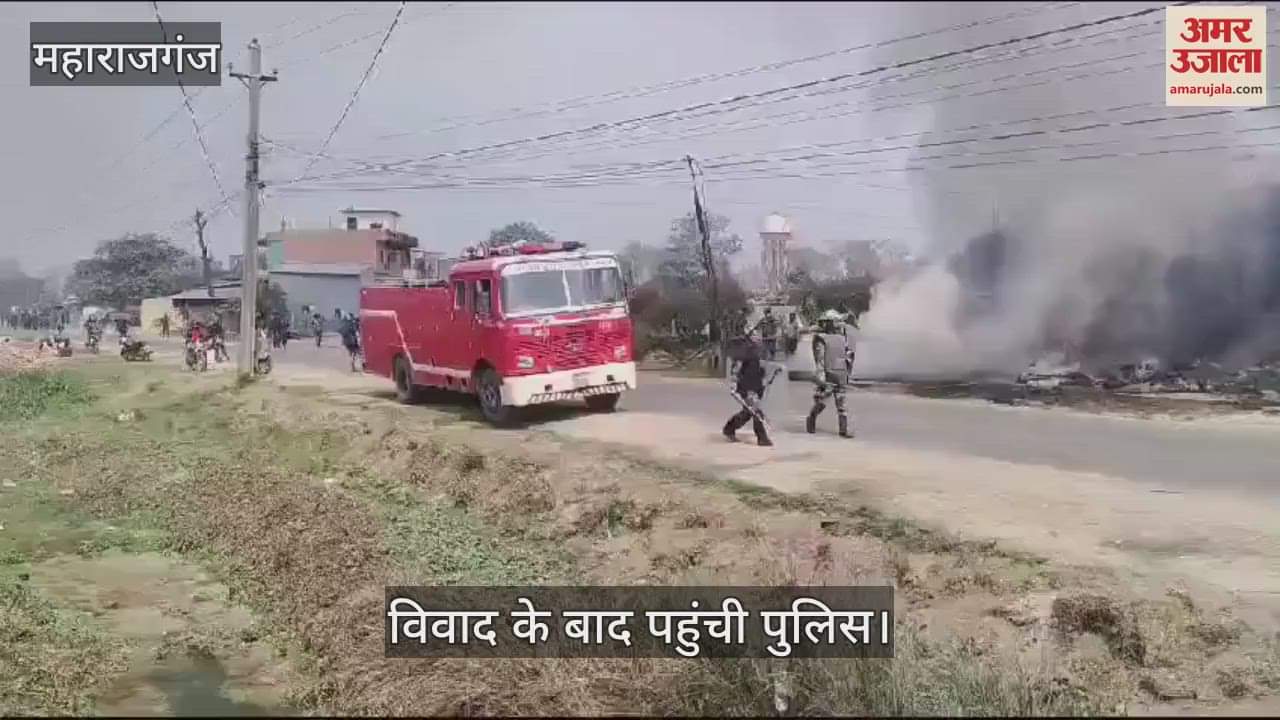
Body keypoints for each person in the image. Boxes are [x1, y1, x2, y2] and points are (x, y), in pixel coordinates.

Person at [807, 309, 856, 439]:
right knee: (821, 402)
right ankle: (811, 418)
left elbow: (848, 356)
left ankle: (843, 430)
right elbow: (820, 360)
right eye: (835, 321)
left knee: (842, 405)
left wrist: (848, 372)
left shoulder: (842, 338)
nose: (838, 324)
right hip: (828, 376)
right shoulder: (821, 339)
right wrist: (820, 377)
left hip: (840, 375)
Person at [722, 335, 774, 447]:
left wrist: (767, 377)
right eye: (756, 339)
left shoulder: (759, 354)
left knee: (747, 413)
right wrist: (734, 383)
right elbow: (736, 369)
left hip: (756, 387)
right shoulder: (746, 352)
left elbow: (760, 371)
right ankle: (762, 438)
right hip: (746, 388)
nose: (759, 341)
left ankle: (729, 429)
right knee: (756, 411)